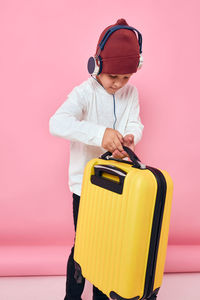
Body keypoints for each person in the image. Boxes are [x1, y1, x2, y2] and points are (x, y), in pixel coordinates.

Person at [49, 18, 157, 300]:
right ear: (96, 66)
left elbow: (135, 123)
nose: (118, 84)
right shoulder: (83, 93)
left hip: (118, 185)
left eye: (126, 78)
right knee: (85, 245)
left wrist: (131, 136)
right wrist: (100, 134)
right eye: (112, 77)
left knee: (110, 246)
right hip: (85, 188)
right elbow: (57, 123)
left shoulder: (130, 93)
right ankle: (71, 297)